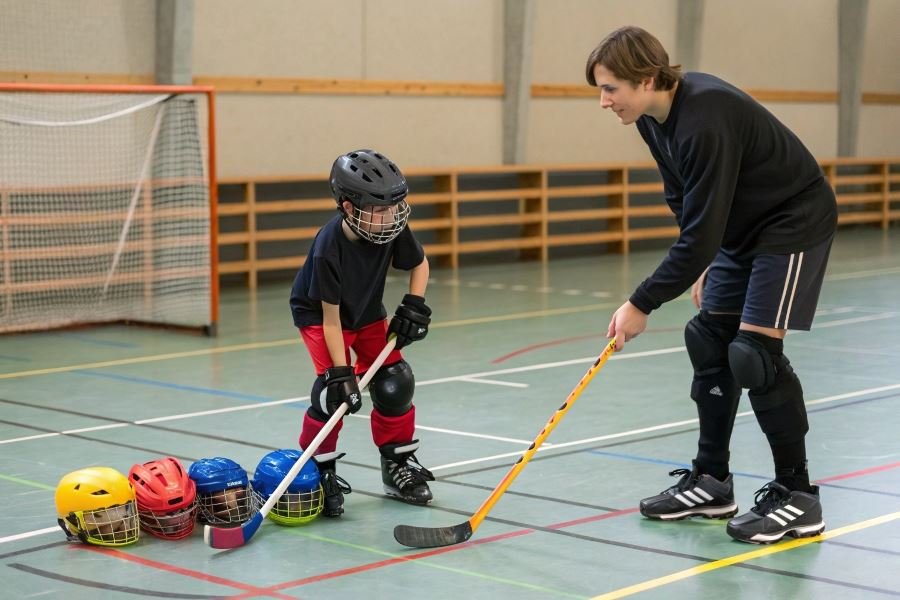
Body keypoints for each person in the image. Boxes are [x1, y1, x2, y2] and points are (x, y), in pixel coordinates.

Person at [585, 26, 836, 544]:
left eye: (610, 88)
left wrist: (641, 302)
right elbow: (684, 199)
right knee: (709, 339)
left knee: (755, 355)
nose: (604, 101)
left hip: (791, 219)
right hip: (738, 231)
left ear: (646, 79)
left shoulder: (705, 116)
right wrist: (704, 259)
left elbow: (700, 232)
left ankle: (799, 495)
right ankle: (712, 481)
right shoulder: (652, 118)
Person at [289, 148, 435, 518]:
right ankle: (319, 471)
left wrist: (413, 305)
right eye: (380, 209)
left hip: (366, 310)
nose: (391, 216)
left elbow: (420, 264)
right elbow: (331, 320)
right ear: (349, 208)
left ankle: (397, 464)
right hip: (322, 316)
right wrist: (341, 374)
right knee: (332, 396)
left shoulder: (389, 228)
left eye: (395, 207)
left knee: (395, 382)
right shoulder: (327, 248)